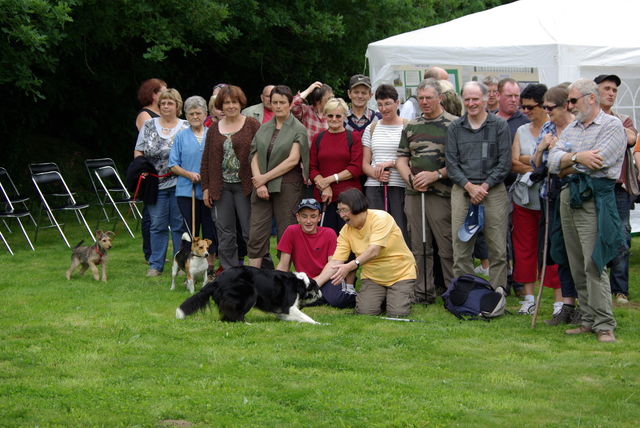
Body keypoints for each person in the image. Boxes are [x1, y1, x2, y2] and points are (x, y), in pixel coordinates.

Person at [548, 78, 626, 343]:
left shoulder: (612, 125)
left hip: (594, 196)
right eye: (568, 101)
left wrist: (569, 161)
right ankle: (588, 318)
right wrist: (577, 158)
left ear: (591, 98)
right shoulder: (571, 128)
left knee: (595, 261)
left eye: (573, 100)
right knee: (576, 261)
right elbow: (552, 162)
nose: (569, 105)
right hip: (570, 195)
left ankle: (605, 324)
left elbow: (600, 161)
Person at [445, 81, 511, 291]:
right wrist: (469, 187)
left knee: (497, 247)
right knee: (461, 247)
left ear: (484, 99)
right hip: (463, 191)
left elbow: (504, 163)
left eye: (475, 99)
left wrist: (484, 186)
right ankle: (465, 293)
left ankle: (497, 292)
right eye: (467, 99)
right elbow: (451, 163)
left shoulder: (499, 125)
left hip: (493, 191)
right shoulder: (455, 127)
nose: (471, 103)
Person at [396, 78, 457, 304]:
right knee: (419, 246)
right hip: (415, 194)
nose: (424, 102)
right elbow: (401, 158)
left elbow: (459, 163)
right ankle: (422, 291)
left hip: (442, 193)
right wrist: (410, 179)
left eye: (428, 98)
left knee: (446, 245)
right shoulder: (411, 126)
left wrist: (435, 175)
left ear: (440, 98)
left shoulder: (454, 125)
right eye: (420, 98)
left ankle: (454, 291)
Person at [315, 189, 416, 317]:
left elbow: (374, 250)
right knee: (365, 312)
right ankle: (386, 297)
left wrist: (353, 264)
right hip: (373, 278)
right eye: (339, 210)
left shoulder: (381, 218)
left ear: (356, 206)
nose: (341, 215)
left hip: (401, 274)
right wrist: (315, 284)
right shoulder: (346, 231)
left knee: (397, 313)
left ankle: (399, 295)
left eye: (344, 210)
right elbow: (335, 262)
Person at [509, 84, 563, 315]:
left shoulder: (557, 129)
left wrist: (531, 160)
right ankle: (528, 298)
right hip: (525, 198)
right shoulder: (521, 130)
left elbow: (554, 162)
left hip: (550, 197)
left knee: (553, 246)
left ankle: (560, 300)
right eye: (523, 106)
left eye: (530, 107)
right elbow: (513, 163)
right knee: (524, 246)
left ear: (544, 105)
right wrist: (535, 162)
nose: (525, 111)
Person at [248, 85, 309, 268]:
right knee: (256, 232)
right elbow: (254, 155)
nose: (278, 106)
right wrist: (259, 183)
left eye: (282, 102)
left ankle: (282, 277)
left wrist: (264, 178)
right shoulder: (264, 128)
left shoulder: (298, 128)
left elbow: (293, 160)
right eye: (274, 102)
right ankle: (252, 277)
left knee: (286, 232)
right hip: (261, 185)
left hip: (288, 185)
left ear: (290, 104)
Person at [200, 85, 261, 270]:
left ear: (240, 103)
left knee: (250, 231)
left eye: (234, 102)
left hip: (246, 187)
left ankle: (259, 270)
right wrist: (206, 188)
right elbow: (206, 160)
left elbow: (262, 152)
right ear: (221, 105)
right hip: (221, 187)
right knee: (225, 233)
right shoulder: (213, 129)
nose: (231, 106)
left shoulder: (252, 124)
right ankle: (229, 271)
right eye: (226, 103)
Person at [534, 85, 579, 326]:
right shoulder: (548, 128)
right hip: (549, 196)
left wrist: (557, 160)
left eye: (550, 108)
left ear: (565, 106)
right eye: (545, 107)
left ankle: (585, 305)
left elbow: (577, 164)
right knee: (558, 250)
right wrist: (543, 148)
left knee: (577, 251)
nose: (546, 112)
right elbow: (535, 163)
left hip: (575, 196)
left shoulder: (578, 129)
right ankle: (567, 304)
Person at [134, 88, 189, 276]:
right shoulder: (149, 125)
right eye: (163, 103)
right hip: (154, 185)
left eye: (170, 103)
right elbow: (138, 151)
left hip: (179, 183)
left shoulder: (185, 126)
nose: (166, 106)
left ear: (177, 106)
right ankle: (156, 265)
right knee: (156, 225)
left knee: (178, 225)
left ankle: (180, 264)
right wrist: (141, 170)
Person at [594, 74, 637, 305]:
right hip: (594, 186)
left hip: (618, 189)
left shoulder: (623, 118)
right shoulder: (586, 118)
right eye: (607, 88)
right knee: (594, 236)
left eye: (614, 90)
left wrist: (610, 129)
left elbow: (631, 138)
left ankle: (620, 290)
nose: (611, 93)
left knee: (621, 236)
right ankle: (597, 289)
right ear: (595, 91)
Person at [277, 198, 356, 308]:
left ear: (319, 217)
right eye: (304, 216)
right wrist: (277, 286)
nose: (308, 221)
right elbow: (283, 265)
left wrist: (314, 284)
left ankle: (348, 295)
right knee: (284, 297)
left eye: (313, 216)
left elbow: (333, 265)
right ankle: (315, 297)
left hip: (327, 278)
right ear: (298, 217)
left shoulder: (329, 233)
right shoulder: (291, 231)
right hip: (303, 279)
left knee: (337, 301)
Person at [168, 95, 217, 272]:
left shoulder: (213, 134)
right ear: (186, 115)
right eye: (191, 113)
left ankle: (209, 265)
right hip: (186, 191)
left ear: (205, 114)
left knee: (209, 227)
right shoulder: (180, 137)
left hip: (209, 190)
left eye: (198, 113)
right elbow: (173, 164)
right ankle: (188, 266)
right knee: (190, 231)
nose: (195, 116)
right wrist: (188, 174)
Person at [362, 84, 408, 241]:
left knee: (400, 230)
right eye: (380, 104)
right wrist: (376, 174)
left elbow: (413, 158)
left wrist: (393, 163)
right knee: (377, 231)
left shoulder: (408, 126)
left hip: (400, 185)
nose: (383, 108)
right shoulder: (371, 128)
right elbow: (365, 164)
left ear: (397, 103)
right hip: (375, 187)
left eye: (388, 103)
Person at [310, 97, 363, 232]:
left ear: (345, 116)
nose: (334, 119)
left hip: (349, 198)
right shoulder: (318, 138)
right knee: (327, 237)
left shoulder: (354, 137)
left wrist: (328, 180)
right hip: (324, 197)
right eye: (330, 115)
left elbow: (355, 168)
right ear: (325, 115)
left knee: (350, 238)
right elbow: (312, 168)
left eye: (338, 116)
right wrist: (324, 186)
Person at [134, 78, 167, 264]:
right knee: (150, 214)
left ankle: (157, 253)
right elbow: (147, 144)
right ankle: (150, 253)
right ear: (154, 94)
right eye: (164, 91)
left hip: (165, 172)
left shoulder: (163, 114)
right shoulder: (145, 116)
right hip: (150, 171)